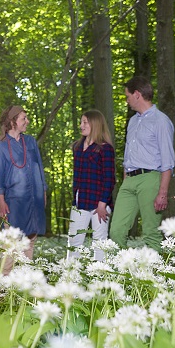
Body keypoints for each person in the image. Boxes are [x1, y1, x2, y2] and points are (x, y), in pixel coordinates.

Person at [109, 76, 175, 251]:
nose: (127, 100)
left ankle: (155, 268)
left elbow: (168, 160)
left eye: (128, 96)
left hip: (150, 179)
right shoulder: (132, 121)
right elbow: (128, 154)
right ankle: (122, 266)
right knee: (116, 231)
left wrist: (163, 192)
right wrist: (125, 179)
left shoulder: (161, 121)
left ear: (137, 94)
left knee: (151, 233)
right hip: (129, 180)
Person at [0, 105, 47, 265]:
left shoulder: (30, 141)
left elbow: (39, 168)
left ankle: (26, 277)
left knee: (29, 244)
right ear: (12, 122)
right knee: (10, 246)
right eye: (24, 118)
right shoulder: (0, 146)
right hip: (13, 203)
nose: (27, 121)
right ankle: (5, 278)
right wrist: (1, 201)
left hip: (34, 200)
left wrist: (43, 192)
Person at [68, 109, 115, 260]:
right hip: (80, 201)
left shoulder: (105, 149)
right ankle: (71, 271)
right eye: (81, 122)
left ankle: (99, 272)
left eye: (85, 122)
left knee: (100, 242)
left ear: (95, 124)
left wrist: (102, 204)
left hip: (99, 204)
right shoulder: (77, 147)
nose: (81, 125)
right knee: (74, 240)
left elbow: (109, 179)